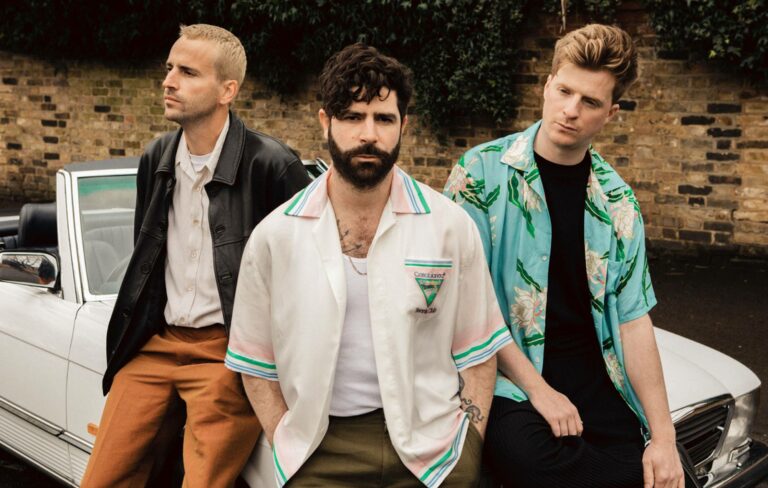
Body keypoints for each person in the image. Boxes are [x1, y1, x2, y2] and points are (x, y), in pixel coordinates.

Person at [226, 43, 512, 487]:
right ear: (326, 122)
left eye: (383, 119)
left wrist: (469, 445)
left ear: (403, 126)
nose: (369, 134)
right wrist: (284, 436)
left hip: (433, 449)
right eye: (353, 117)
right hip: (320, 449)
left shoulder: (448, 227)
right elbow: (254, 360)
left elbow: (478, 350)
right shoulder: (275, 236)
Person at [444, 24, 686, 488]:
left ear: (611, 113)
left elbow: (634, 321)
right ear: (546, 86)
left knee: (657, 464)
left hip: (597, 380)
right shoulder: (479, 176)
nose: (570, 111)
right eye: (564, 91)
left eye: (590, 102)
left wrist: (664, 437)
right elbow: (466, 308)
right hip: (508, 377)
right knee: (530, 458)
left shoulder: (619, 202)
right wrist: (540, 391)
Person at [81, 24, 311, 488]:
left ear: (228, 90)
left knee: (203, 481)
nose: (169, 80)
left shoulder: (271, 164)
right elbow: (144, 264)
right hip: (157, 343)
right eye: (169, 68)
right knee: (102, 478)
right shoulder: (156, 157)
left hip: (227, 353)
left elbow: (306, 272)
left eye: (187, 72)